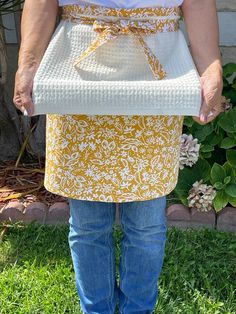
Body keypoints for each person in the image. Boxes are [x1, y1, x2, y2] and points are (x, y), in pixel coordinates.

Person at [13, 0, 223, 313]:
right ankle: (96, 310)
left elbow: (198, 3)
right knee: (87, 224)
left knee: (147, 224)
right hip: (81, 76)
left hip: (155, 79)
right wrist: (28, 64)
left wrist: (210, 68)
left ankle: (138, 310)